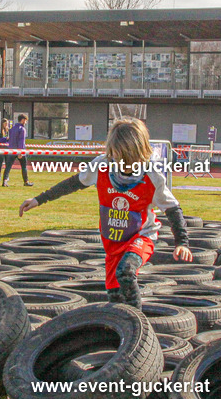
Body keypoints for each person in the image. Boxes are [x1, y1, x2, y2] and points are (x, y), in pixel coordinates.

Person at [18, 118, 192, 307]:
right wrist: (38, 199)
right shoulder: (102, 166)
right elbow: (73, 183)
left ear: (139, 153)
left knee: (126, 271)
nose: (122, 163)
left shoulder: (152, 176)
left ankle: (138, 324)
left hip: (141, 236)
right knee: (115, 295)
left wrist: (181, 242)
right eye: (118, 156)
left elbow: (172, 208)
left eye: (128, 158)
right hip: (113, 242)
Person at [2, 114, 33, 187]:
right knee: (24, 166)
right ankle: (26, 181)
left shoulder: (12, 129)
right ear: (22, 120)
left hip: (11, 150)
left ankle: (4, 181)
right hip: (19, 150)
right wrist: (20, 152)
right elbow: (21, 142)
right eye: (25, 121)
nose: (25, 122)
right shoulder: (22, 129)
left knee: (8, 166)